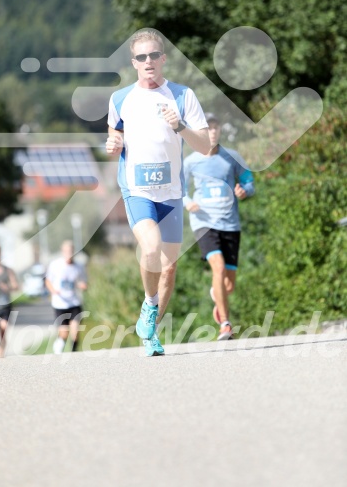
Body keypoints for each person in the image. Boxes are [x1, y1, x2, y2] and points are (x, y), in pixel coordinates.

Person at [106, 29, 210, 356]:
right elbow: (115, 134)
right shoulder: (121, 99)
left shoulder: (182, 96)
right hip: (137, 190)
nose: (148, 61)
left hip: (172, 193)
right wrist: (112, 144)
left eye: (154, 55)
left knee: (168, 268)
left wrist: (179, 126)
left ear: (163, 58)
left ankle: (150, 334)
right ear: (133, 62)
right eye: (141, 57)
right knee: (149, 248)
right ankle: (149, 306)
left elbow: (206, 146)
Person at [183, 113, 255, 340]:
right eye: (208, 128)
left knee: (228, 285)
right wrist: (187, 202)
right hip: (204, 222)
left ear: (220, 130)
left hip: (230, 224)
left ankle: (219, 295)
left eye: (215, 127)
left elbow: (249, 181)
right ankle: (225, 324)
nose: (212, 132)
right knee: (218, 267)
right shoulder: (190, 161)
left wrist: (245, 190)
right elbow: (180, 188)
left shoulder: (232, 157)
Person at [45, 240, 88, 354]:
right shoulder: (55, 265)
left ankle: (74, 353)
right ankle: (59, 344)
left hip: (74, 302)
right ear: (63, 251)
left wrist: (82, 285)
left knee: (75, 330)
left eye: (71, 251)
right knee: (64, 332)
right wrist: (53, 291)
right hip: (60, 303)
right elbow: (48, 281)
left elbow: (83, 282)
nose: (69, 253)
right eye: (66, 251)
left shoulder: (79, 266)